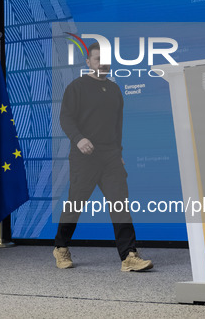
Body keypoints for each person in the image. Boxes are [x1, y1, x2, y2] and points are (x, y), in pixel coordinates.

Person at [53, 42, 153, 272]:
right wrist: (79, 139)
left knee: (120, 204)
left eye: (106, 60)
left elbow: (117, 126)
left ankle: (129, 256)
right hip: (84, 156)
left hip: (110, 157)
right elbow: (66, 118)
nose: (103, 63)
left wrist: (118, 153)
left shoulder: (115, 90)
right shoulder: (76, 87)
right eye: (98, 59)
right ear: (88, 62)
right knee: (75, 205)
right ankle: (60, 247)